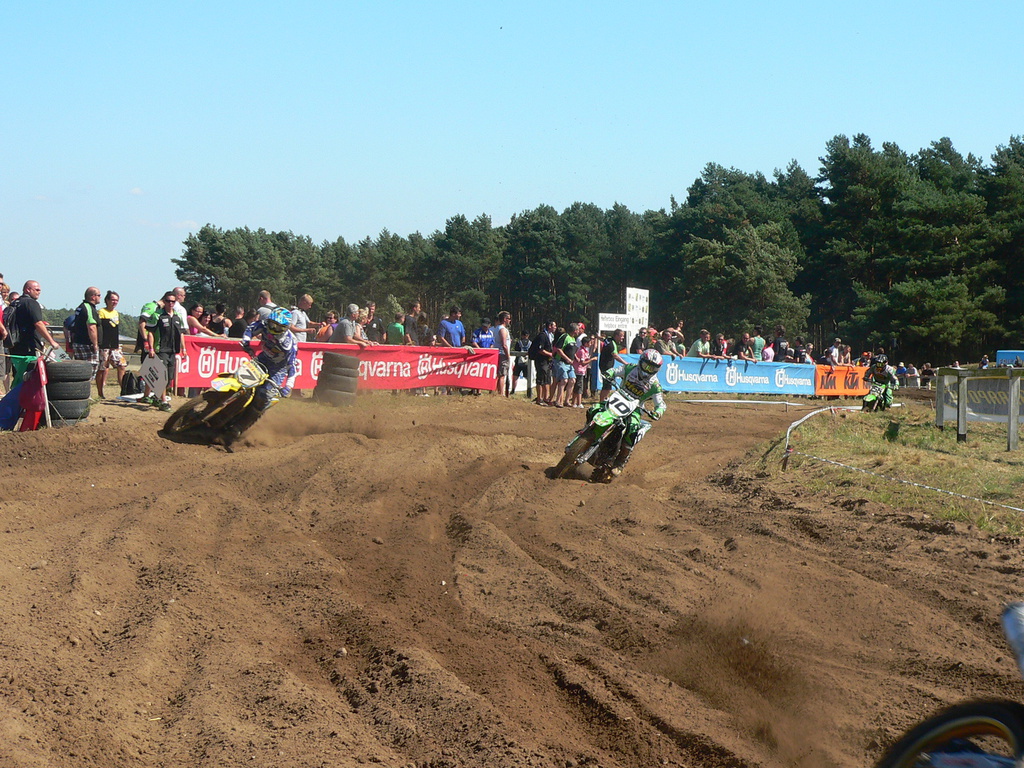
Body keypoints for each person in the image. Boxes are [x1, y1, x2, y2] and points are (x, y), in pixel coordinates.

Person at [224, 307, 298, 445]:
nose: (273, 329)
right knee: (239, 377)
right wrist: (246, 342)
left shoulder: (289, 343)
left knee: (263, 396)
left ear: (285, 328)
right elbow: (250, 329)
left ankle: (239, 427)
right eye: (272, 324)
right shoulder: (263, 325)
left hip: (278, 369)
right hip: (262, 359)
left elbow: (292, 366)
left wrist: (288, 386)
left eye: (277, 327)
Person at [588, 349, 667, 477]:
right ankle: (587, 432)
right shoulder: (630, 368)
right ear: (641, 362)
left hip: (635, 408)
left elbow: (661, 404)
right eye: (646, 365)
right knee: (594, 409)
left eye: (652, 368)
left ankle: (620, 461)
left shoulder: (655, 385)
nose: (648, 370)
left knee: (632, 428)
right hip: (618, 398)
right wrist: (609, 373)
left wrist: (658, 412)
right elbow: (616, 371)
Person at [10, 281, 62, 387]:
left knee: (18, 376)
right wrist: (51, 341)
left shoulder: (15, 303)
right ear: (28, 289)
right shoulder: (31, 303)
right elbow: (38, 323)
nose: (39, 292)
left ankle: (17, 396)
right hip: (29, 346)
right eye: (37, 289)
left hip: (15, 345)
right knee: (31, 377)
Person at [145, 291, 187, 410]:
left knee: (169, 378)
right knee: (161, 376)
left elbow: (181, 333)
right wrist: (151, 348)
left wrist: (184, 348)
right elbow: (150, 332)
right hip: (161, 349)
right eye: (168, 301)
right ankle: (163, 402)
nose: (170, 303)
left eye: (173, 301)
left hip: (173, 350)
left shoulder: (178, 316)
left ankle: (157, 397)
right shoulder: (157, 315)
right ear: (164, 301)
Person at [96, 290, 128, 399]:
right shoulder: (101, 312)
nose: (114, 302)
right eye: (113, 300)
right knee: (102, 368)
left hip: (115, 346)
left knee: (122, 365)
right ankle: (100, 393)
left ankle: (124, 391)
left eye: (116, 300)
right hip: (104, 345)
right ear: (107, 300)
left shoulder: (116, 313)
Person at [70, 286, 102, 380]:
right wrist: (95, 344)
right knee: (89, 371)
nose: (100, 297)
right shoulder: (88, 308)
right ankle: (85, 389)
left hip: (80, 343)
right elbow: (91, 327)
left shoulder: (81, 307)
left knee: (82, 371)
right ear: (93, 296)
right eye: (99, 295)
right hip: (87, 345)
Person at [598, 329, 628, 401]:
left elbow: (603, 339)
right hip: (606, 367)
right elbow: (615, 355)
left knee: (607, 385)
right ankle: (602, 401)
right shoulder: (612, 344)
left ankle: (604, 399)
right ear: (616, 336)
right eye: (622, 336)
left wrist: (597, 337)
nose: (623, 338)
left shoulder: (608, 339)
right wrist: (626, 363)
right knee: (607, 386)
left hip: (603, 365)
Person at [530, 321, 555, 405]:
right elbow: (540, 349)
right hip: (541, 360)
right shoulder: (542, 336)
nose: (555, 327)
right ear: (550, 326)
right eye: (554, 325)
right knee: (540, 379)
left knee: (547, 379)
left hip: (548, 361)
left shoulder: (551, 336)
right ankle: (539, 398)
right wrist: (550, 354)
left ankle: (546, 398)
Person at [494, 311, 512, 396]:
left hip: (499, 353)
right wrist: (508, 356)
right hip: (502, 354)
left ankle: (497, 392)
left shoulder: (497, 328)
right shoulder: (502, 329)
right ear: (505, 319)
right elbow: (504, 344)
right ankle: (501, 393)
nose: (510, 321)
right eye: (509, 319)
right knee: (502, 375)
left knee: (499, 374)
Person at [510, 329, 531, 396]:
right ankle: (529, 390)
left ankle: (513, 390)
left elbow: (516, 351)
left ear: (522, 335)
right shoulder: (530, 343)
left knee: (515, 376)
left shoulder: (518, 343)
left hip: (518, 362)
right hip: (527, 362)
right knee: (528, 377)